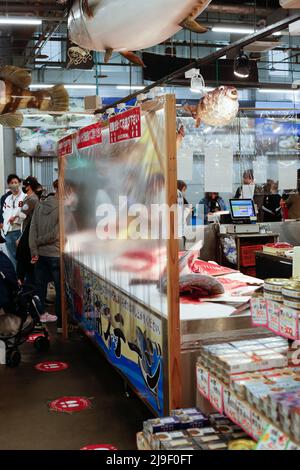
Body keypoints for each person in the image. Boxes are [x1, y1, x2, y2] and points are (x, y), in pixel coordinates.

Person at [29, 180, 61, 326]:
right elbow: (57, 234)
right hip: (55, 254)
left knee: (39, 288)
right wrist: (41, 241)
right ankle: (61, 323)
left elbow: (32, 230)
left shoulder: (39, 205)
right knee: (59, 290)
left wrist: (34, 249)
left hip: (40, 254)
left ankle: (39, 319)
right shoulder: (62, 208)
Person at [16, 177, 40, 286]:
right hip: (27, 232)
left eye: (25, 185)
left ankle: (30, 290)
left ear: (29, 186)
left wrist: (15, 214)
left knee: (25, 263)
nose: (24, 187)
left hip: (28, 234)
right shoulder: (30, 198)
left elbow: (22, 216)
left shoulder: (31, 199)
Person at [1, 174, 25, 268]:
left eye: (16, 182)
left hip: (19, 230)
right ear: (9, 185)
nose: (14, 184)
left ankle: (22, 278)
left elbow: (24, 214)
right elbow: (4, 213)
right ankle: (15, 278)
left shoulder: (24, 197)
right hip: (7, 231)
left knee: (20, 256)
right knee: (11, 257)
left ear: (19, 183)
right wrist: (3, 224)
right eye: (12, 183)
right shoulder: (7, 198)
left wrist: (16, 218)